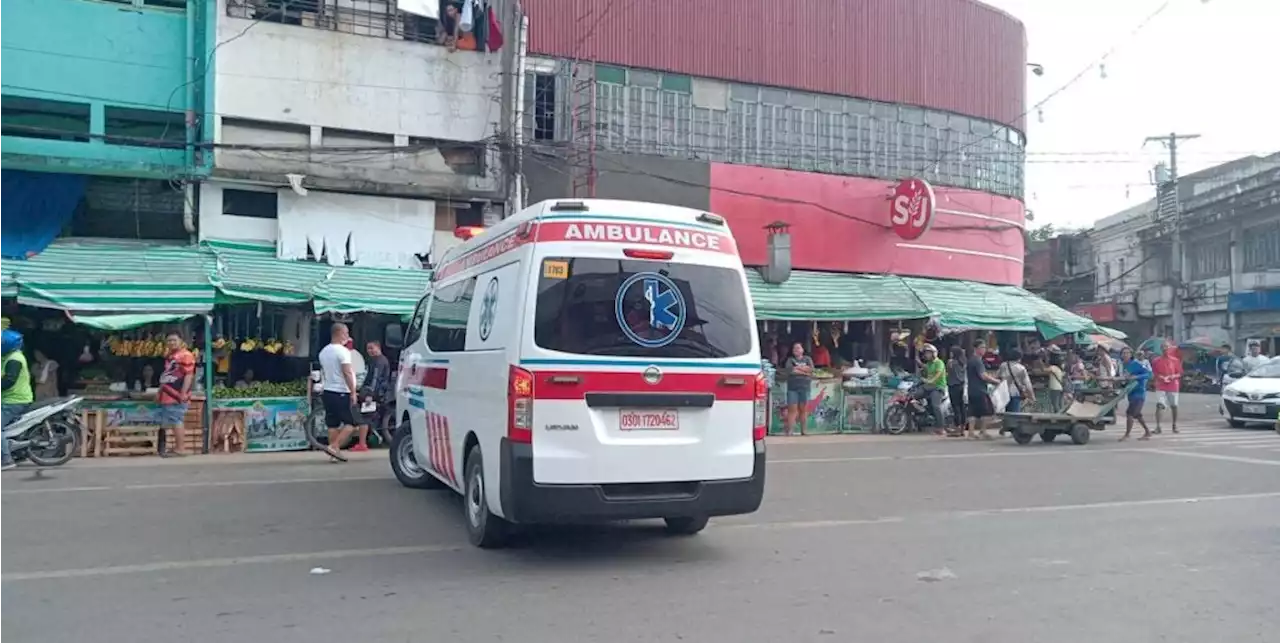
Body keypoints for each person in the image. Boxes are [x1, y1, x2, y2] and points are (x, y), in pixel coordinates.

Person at [318, 323, 360, 461]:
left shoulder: (323, 352)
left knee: (332, 423)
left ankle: (334, 454)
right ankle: (334, 447)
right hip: (341, 391)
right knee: (352, 423)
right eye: (346, 333)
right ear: (339, 333)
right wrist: (353, 392)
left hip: (328, 390)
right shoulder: (342, 352)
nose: (348, 336)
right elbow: (347, 372)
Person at [156, 332, 196, 457]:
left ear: (181, 341)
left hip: (177, 394)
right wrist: (159, 392)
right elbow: (167, 376)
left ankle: (180, 448)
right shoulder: (171, 356)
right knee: (173, 420)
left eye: (174, 340)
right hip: (168, 394)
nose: (171, 343)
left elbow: (189, 375)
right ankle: (177, 447)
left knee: (176, 420)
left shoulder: (186, 355)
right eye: (169, 340)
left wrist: (183, 393)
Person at [0, 329, 33, 470]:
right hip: (8, 399)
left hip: (15, 401)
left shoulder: (14, 359)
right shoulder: (7, 356)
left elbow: (8, 381)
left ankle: (6, 459)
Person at [354, 340, 393, 452]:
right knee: (367, 416)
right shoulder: (376, 360)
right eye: (368, 349)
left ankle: (362, 444)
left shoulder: (380, 361)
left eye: (372, 348)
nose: (370, 351)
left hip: (375, 393)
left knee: (365, 417)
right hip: (374, 392)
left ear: (378, 348)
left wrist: (370, 394)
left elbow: (375, 379)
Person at [965, 341, 1001, 440]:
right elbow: (983, 376)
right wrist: (996, 381)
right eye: (982, 347)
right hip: (980, 390)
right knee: (987, 411)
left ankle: (971, 433)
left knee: (973, 412)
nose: (984, 349)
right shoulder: (977, 361)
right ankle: (983, 431)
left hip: (971, 390)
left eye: (984, 347)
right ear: (976, 349)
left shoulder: (971, 360)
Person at [1118, 347, 1153, 441]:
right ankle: (1147, 432)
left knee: (1129, 413)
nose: (1125, 355)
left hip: (1139, 392)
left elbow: (1149, 374)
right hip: (1130, 392)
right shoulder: (1122, 365)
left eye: (1127, 353)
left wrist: (1137, 377)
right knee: (1137, 414)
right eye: (1123, 353)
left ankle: (1127, 434)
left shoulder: (1135, 364)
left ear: (1131, 354)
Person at [783, 342, 814, 437]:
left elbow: (811, 370)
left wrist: (798, 369)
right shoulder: (790, 360)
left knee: (803, 410)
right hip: (793, 388)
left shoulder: (808, 359)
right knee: (792, 410)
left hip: (804, 387)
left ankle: (804, 430)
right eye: (794, 348)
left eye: (798, 348)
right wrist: (804, 371)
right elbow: (791, 371)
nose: (796, 350)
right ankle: (790, 430)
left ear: (802, 350)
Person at [1152, 344, 1183, 434]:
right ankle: (1158, 426)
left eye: (1167, 348)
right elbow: (1155, 373)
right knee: (1159, 405)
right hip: (1161, 385)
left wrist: (1173, 376)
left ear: (1169, 349)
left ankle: (1174, 425)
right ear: (1161, 349)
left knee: (1174, 406)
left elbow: (1179, 373)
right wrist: (1161, 377)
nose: (1165, 349)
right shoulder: (1156, 361)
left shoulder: (1175, 360)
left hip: (1173, 385)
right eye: (1163, 348)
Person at [996, 348, 1035, 415]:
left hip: (1003, 393)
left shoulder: (1003, 365)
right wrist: (1032, 396)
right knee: (1014, 415)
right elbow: (1028, 384)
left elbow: (997, 377)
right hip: (1015, 394)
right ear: (1019, 357)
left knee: (1004, 414)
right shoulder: (1021, 368)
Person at [919, 344, 946, 433]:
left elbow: (938, 375)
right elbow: (923, 367)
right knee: (915, 395)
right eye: (926, 353)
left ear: (934, 354)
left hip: (938, 387)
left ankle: (941, 427)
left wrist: (930, 381)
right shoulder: (929, 364)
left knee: (936, 405)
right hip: (928, 387)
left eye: (928, 353)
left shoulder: (939, 363)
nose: (926, 355)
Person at [945, 346, 968, 437]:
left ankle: (957, 428)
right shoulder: (963, 362)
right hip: (961, 386)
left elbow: (948, 371)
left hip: (953, 386)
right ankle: (962, 428)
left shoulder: (951, 362)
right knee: (962, 407)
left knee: (956, 407)